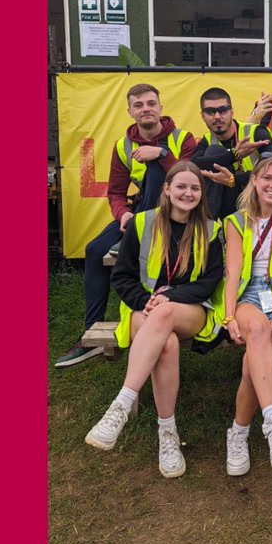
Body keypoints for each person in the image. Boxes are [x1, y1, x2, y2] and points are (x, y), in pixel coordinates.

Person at [84, 161, 224, 478]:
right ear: (167, 189)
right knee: (168, 345)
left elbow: (209, 281)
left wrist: (170, 297)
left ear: (201, 194)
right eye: (181, 186)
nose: (188, 193)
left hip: (189, 309)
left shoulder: (209, 229)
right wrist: (143, 301)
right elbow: (122, 276)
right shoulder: (143, 222)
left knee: (165, 314)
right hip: (143, 308)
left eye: (195, 188)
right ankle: (167, 433)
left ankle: (121, 404)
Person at [56, 83, 197, 368]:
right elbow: (116, 193)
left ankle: (135, 240)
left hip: (178, 215)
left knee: (159, 173)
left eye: (151, 103)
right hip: (139, 214)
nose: (146, 109)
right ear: (130, 111)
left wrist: (160, 154)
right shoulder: (123, 146)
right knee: (95, 250)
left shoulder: (183, 139)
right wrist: (122, 215)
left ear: (160, 107)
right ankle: (91, 332)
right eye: (138, 105)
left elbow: (190, 181)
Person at [210, 153, 272, 476]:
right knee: (256, 331)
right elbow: (232, 272)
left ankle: (238, 433)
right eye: (267, 178)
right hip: (246, 295)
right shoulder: (235, 221)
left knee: (255, 362)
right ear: (254, 180)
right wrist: (229, 316)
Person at [190, 86, 272, 220]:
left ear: (232, 111)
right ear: (202, 116)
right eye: (210, 112)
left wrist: (234, 179)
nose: (217, 116)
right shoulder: (207, 140)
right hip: (227, 203)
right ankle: (208, 225)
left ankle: (208, 223)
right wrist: (233, 155)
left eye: (223, 110)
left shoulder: (255, 132)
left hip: (256, 197)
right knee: (213, 152)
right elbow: (194, 164)